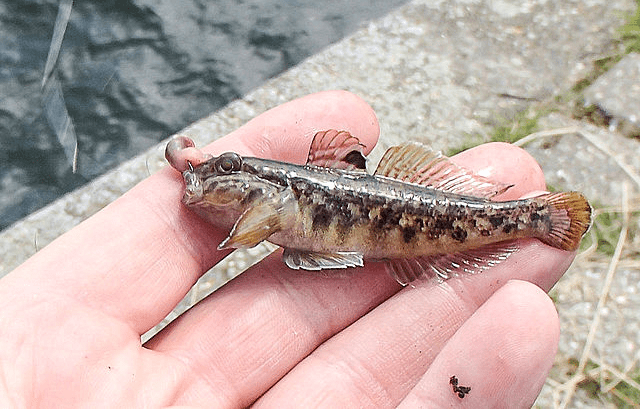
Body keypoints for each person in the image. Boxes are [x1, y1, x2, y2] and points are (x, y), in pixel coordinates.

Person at [0, 91, 571, 408]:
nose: (208, 181)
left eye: (226, 171)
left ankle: (529, 219)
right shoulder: (266, 200)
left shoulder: (276, 199)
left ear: (258, 186)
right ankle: (526, 219)